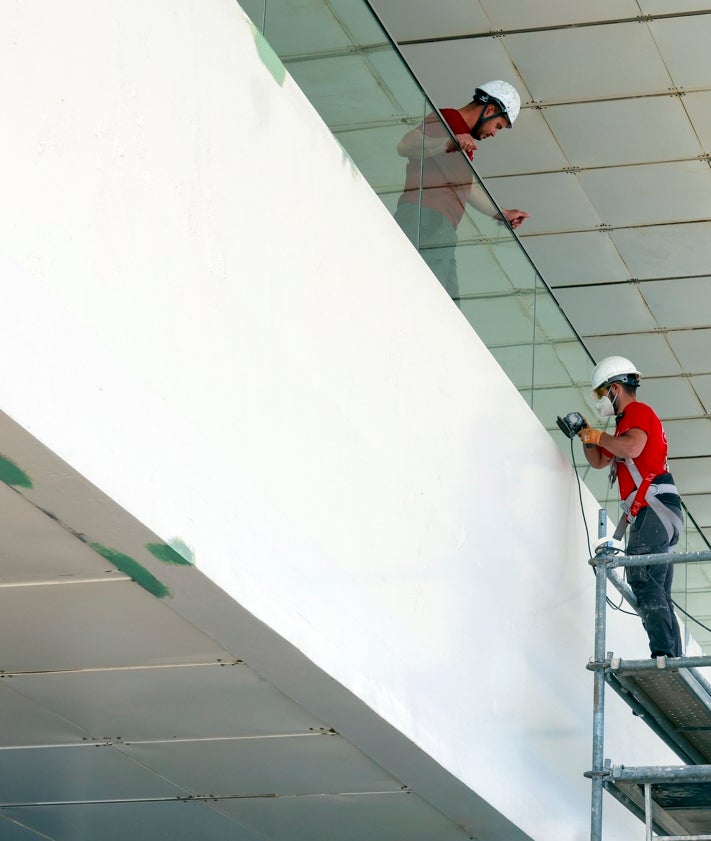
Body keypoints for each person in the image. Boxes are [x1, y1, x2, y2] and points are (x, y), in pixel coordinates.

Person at [577, 355, 684, 658]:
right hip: (660, 511)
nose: (601, 399)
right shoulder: (623, 427)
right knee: (657, 589)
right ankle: (671, 658)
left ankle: (662, 656)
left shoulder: (637, 412)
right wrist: (587, 436)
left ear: (616, 388)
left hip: (654, 509)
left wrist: (597, 435)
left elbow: (631, 448)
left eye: (602, 392)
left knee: (642, 579)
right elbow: (600, 461)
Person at [394, 80, 530, 301]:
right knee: (428, 298)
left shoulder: (463, 141)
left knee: (448, 306)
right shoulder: (448, 119)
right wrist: (447, 143)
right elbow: (406, 145)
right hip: (425, 217)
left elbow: (468, 187)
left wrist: (501, 213)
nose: (495, 134)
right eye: (498, 126)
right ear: (490, 109)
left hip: (441, 228)